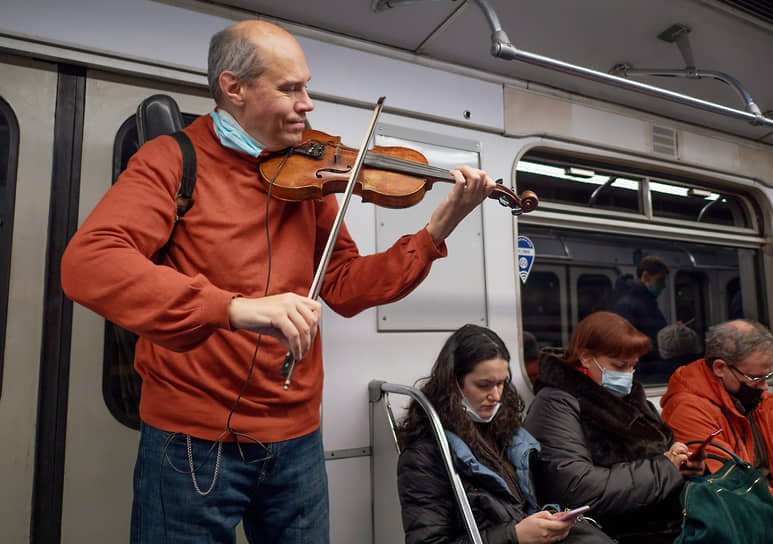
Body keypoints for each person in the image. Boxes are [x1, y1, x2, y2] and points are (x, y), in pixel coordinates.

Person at [60, 20, 497, 544]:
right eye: (290, 89)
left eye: (306, 87)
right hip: (193, 440)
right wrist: (235, 308)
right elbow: (90, 262)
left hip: (296, 440)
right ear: (234, 88)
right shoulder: (173, 160)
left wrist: (434, 232)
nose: (307, 103)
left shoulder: (311, 176)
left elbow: (344, 284)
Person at [397, 324, 615, 544]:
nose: (495, 396)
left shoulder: (506, 432)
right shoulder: (425, 454)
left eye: (501, 384)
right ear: (453, 384)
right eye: (484, 385)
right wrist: (516, 536)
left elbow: (520, 506)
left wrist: (547, 518)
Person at [523, 311, 705, 544]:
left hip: (668, 524)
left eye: (633, 366)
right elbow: (577, 489)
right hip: (614, 531)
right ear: (586, 357)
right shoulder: (555, 404)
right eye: (619, 366)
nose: (627, 375)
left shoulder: (634, 400)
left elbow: (664, 452)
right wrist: (667, 468)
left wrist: (685, 464)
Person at [661, 319, 773, 495]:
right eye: (755, 378)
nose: (765, 387)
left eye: (768, 376)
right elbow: (733, 489)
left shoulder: (760, 403)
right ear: (720, 368)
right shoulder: (687, 411)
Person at [613, 255, 669, 361]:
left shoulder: (648, 302)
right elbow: (629, 343)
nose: (664, 285)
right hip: (643, 366)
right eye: (660, 280)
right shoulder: (627, 304)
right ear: (646, 276)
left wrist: (671, 333)